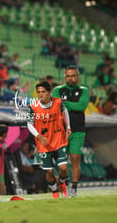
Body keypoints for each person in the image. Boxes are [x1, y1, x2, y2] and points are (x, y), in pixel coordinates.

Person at [27, 81, 71, 199]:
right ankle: (53, 188)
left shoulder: (58, 102)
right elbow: (29, 124)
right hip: (44, 145)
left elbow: (65, 111)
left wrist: (68, 127)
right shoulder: (33, 107)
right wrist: (39, 136)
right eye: (38, 92)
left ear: (50, 92)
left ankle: (62, 182)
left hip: (59, 141)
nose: (40, 95)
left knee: (63, 169)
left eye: (43, 92)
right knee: (49, 172)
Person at [52, 66, 90, 197]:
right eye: (68, 76)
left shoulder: (84, 91)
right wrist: (67, 104)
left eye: (73, 76)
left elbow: (81, 106)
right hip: (60, 130)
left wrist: (65, 103)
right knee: (62, 163)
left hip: (78, 129)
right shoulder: (57, 90)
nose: (70, 78)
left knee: (75, 158)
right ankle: (63, 182)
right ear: (64, 77)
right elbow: (55, 106)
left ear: (77, 76)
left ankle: (73, 187)